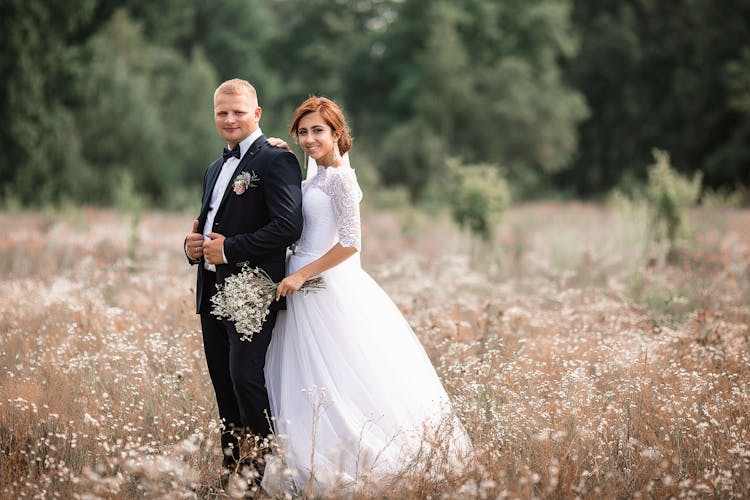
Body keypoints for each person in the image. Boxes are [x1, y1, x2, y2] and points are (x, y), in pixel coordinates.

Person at [263, 96, 471, 495]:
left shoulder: (341, 178)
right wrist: (281, 151)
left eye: (317, 131)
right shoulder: (316, 176)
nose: (309, 139)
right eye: (303, 132)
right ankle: (306, 463)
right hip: (300, 285)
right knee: (303, 375)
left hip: (326, 285)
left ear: (337, 132)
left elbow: (350, 243)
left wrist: (302, 275)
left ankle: (359, 460)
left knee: (339, 374)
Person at [183, 79, 303, 486]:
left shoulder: (275, 160)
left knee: (245, 379)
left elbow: (288, 227)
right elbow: (207, 225)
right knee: (223, 383)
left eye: (238, 111)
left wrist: (230, 249)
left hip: (252, 290)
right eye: (222, 112)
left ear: (257, 113)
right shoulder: (214, 168)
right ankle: (231, 473)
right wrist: (192, 246)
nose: (229, 119)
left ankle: (257, 476)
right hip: (211, 289)